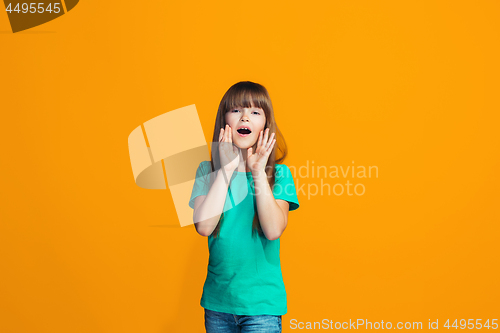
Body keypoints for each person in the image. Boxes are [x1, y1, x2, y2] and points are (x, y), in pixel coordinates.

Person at [188, 81, 300, 333]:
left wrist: (258, 172)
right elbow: (204, 226)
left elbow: (273, 230)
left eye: (255, 112)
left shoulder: (278, 175)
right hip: (218, 306)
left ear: (265, 125)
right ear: (224, 120)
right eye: (237, 110)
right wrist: (226, 170)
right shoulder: (207, 172)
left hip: (262, 308)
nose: (245, 117)